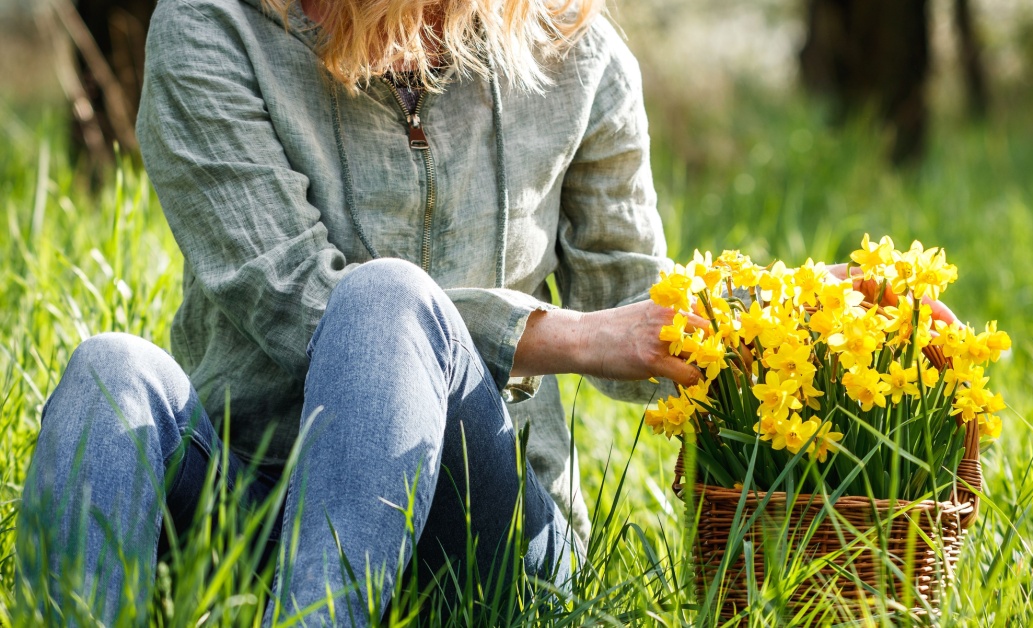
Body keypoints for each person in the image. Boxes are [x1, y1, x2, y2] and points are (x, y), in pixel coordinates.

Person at [16, 0, 708, 624]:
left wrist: (780, 308)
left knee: (389, 297)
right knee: (110, 374)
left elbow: (640, 337)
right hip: (254, 508)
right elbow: (295, 302)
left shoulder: (572, 44)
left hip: (480, 532)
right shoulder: (213, 25)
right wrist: (570, 339)